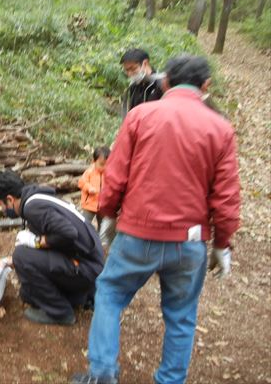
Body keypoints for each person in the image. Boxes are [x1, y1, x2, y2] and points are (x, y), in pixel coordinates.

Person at [71, 56, 240, 384]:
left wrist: (107, 214)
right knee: (181, 317)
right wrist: (222, 244)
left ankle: (102, 372)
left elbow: (116, 175)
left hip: (137, 234)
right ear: (206, 87)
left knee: (109, 293)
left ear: (165, 83)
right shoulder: (221, 128)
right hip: (189, 242)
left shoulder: (140, 116)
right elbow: (227, 197)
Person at [0, 170, 104, 326]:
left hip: (87, 267)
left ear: (9, 200)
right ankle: (81, 296)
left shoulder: (32, 208)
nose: (1, 210)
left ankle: (61, 313)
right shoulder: (36, 198)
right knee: (28, 294)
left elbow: (68, 233)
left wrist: (40, 242)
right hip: (89, 261)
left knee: (21, 256)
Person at [120, 48, 164, 118]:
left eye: (133, 69)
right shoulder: (134, 86)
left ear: (145, 63)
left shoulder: (162, 83)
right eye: (126, 70)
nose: (129, 74)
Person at [78, 145, 110, 231]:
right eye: (101, 164)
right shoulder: (89, 172)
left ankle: (99, 240)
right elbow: (81, 182)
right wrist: (89, 188)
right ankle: (83, 237)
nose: (104, 167)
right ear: (94, 161)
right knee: (85, 222)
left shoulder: (108, 174)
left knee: (102, 225)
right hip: (89, 204)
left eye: (107, 165)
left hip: (102, 205)